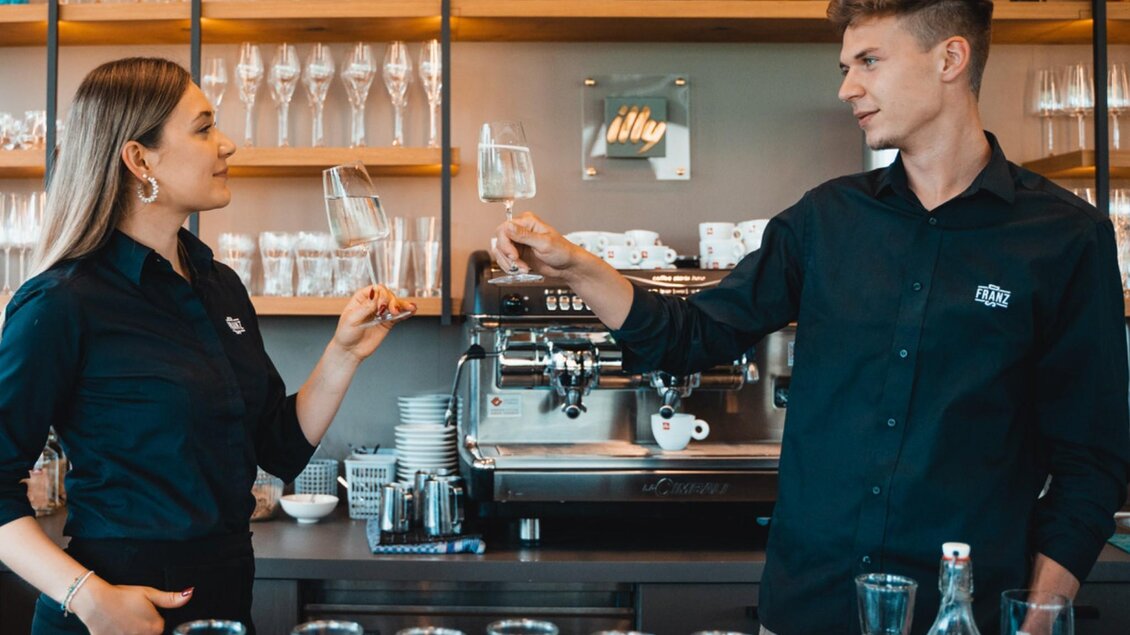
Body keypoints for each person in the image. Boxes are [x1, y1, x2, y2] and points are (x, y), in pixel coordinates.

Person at [491, 0, 1130, 632]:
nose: (848, 87)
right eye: (846, 66)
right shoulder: (825, 219)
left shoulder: (1065, 238)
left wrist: (1039, 618)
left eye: (870, 62)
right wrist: (574, 266)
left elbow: (1091, 462)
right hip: (809, 608)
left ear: (951, 59)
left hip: (963, 616)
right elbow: (689, 337)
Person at [0, 57, 413, 635]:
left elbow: (279, 445)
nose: (229, 145)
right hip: (114, 613)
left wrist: (344, 351)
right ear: (139, 159)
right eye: (204, 128)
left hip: (225, 604)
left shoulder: (217, 284)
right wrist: (90, 599)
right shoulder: (61, 301)